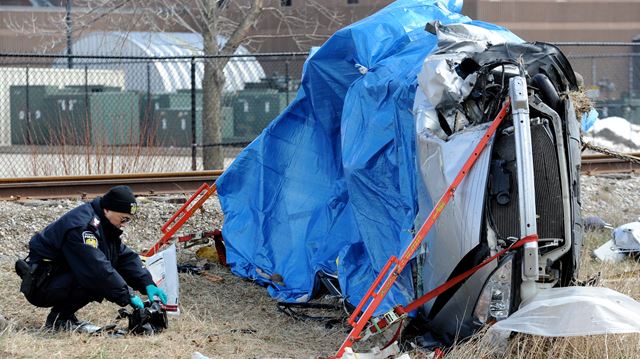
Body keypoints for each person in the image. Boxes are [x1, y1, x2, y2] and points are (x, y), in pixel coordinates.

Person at [16, 185, 167, 332]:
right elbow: (96, 270)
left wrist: (146, 282)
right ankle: (60, 320)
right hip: (42, 285)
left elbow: (122, 256)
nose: (125, 225)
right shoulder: (83, 227)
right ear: (108, 209)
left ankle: (65, 317)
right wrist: (128, 295)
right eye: (123, 219)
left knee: (103, 270)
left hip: (56, 276)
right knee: (95, 278)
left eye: (128, 220)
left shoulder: (103, 223)